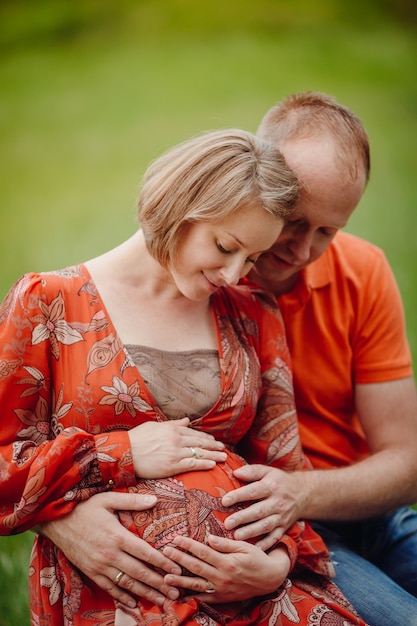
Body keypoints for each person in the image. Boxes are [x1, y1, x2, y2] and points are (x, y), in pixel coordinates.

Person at [0, 128, 368, 626]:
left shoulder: (252, 311)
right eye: (225, 246)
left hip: (262, 596)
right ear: (181, 205)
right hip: (127, 598)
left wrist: (274, 565)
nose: (236, 273)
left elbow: (285, 478)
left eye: (253, 258)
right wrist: (123, 454)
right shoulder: (47, 303)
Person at [209, 92, 417, 625]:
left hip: (374, 515)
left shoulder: (363, 271)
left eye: (328, 230)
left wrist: (301, 491)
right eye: (294, 219)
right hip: (288, 535)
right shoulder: (207, 277)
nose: (302, 250)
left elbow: (408, 461)